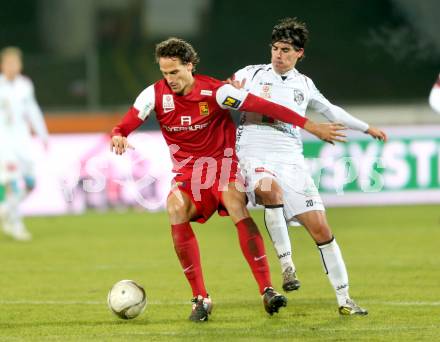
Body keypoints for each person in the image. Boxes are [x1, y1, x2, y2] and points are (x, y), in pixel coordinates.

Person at [110, 37, 346, 322]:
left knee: (235, 202)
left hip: (223, 168)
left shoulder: (217, 92)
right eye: (164, 73)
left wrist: (310, 125)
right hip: (188, 176)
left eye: (175, 72)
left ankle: (267, 290)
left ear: (190, 66)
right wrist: (119, 135)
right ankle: (200, 298)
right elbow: (126, 123)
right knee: (174, 208)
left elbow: (264, 106)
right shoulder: (154, 95)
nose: (169, 79)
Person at [229, 18, 387, 315]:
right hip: (254, 154)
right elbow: (223, 98)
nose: (278, 54)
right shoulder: (250, 74)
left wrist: (366, 128)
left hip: (291, 160)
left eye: (286, 50)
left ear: (299, 53)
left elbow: (331, 111)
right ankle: (288, 267)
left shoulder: (304, 84)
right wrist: (230, 95)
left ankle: (345, 300)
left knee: (321, 229)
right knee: (269, 191)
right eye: (275, 48)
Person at [0, 47, 49, 241]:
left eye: (16, 63)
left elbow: (33, 110)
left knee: (30, 184)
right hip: (4, 143)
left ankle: (5, 211)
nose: (13, 67)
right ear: (3, 65)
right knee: (13, 184)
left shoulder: (25, 85)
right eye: (9, 63)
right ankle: (16, 225)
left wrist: (43, 135)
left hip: (23, 142)